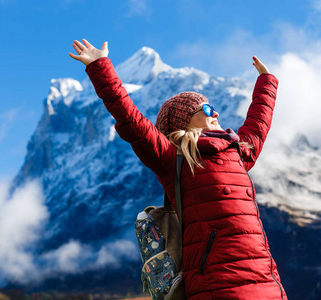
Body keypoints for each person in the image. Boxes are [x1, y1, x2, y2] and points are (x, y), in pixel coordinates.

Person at [69, 39, 288, 300]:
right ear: (184, 120)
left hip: (267, 282)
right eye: (206, 108)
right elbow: (129, 117)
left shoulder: (237, 153)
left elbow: (258, 123)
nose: (215, 112)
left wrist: (267, 81)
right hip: (215, 286)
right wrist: (99, 66)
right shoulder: (172, 158)